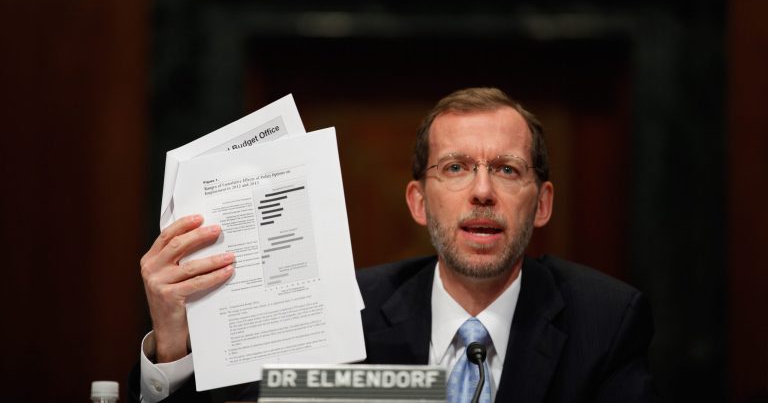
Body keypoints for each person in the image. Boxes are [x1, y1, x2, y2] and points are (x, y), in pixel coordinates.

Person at [130, 87, 659, 402]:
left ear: (541, 203)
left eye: (506, 169)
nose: (481, 190)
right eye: (454, 168)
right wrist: (175, 344)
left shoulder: (605, 320)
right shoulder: (342, 317)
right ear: (418, 202)